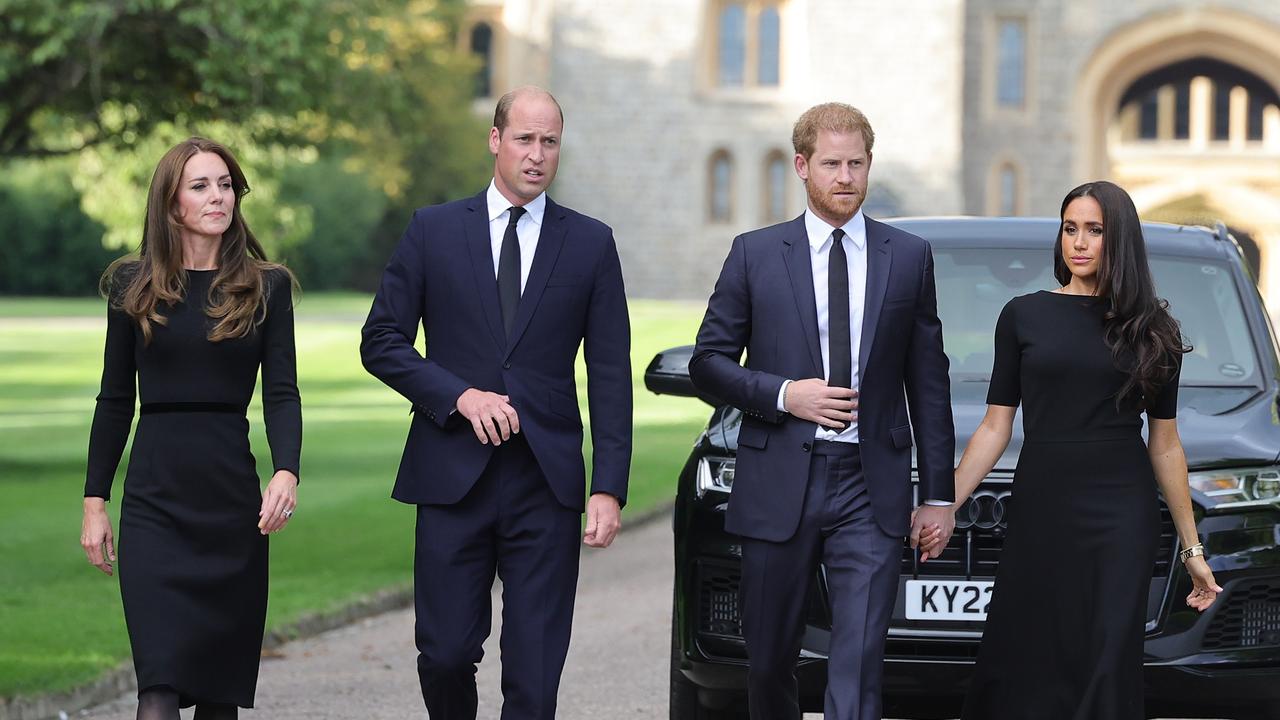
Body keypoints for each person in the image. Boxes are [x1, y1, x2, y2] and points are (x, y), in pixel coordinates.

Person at [360, 86, 632, 719]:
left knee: (535, 680)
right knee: (447, 655)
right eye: (524, 139)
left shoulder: (591, 243)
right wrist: (458, 396)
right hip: (452, 476)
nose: (536, 155)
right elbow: (381, 341)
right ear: (495, 140)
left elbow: (610, 374)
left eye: (549, 142)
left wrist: (608, 487)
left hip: (547, 482)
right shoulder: (433, 230)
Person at [689, 102, 956, 720]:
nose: (845, 177)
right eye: (831, 163)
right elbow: (709, 362)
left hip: (871, 484)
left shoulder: (909, 257)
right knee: (769, 656)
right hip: (780, 476)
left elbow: (929, 381)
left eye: (856, 163)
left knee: (859, 659)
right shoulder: (755, 253)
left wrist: (938, 494)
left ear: (869, 166)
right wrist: (786, 395)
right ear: (802, 166)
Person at [946, 180, 1221, 719]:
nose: (1079, 242)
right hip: (1042, 507)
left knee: (1107, 657)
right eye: (1070, 228)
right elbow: (994, 427)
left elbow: (1164, 445)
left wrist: (1192, 551)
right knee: (1027, 652)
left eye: (1095, 231)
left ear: (1119, 240)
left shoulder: (1154, 331)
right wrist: (944, 504)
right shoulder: (1023, 315)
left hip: (1121, 515)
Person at [80, 137, 301, 719]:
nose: (218, 197)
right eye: (201, 186)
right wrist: (95, 500)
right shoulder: (132, 285)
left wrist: (286, 469)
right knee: (158, 691)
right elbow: (113, 399)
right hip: (155, 502)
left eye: (225, 184)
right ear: (170, 202)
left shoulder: (267, 287)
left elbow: (281, 392)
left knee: (218, 698)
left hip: (230, 504)